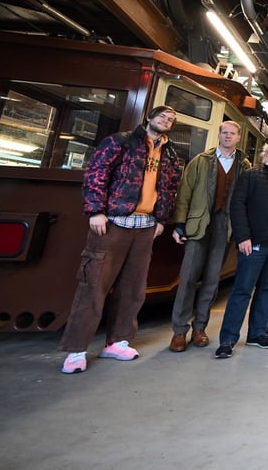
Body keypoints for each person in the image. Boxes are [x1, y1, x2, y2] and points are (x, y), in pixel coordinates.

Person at [59, 105, 183, 374]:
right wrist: (95, 210)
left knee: (133, 289)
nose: (166, 120)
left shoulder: (170, 153)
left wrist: (162, 219)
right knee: (93, 286)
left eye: (171, 119)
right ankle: (76, 349)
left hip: (146, 226)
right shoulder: (121, 141)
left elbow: (171, 187)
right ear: (148, 117)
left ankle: (117, 342)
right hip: (113, 223)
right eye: (162, 116)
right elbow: (96, 173)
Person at [214, 141, 268, 358]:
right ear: (264, 155)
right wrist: (243, 236)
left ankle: (256, 333)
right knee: (243, 290)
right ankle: (227, 339)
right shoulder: (251, 175)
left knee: (267, 289)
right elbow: (237, 206)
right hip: (254, 243)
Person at [168, 121, 251, 352]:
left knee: (212, 280)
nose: (228, 136)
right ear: (219, 135)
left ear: (238, 137)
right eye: (224, 133)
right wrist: (179, 224)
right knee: (188, 278)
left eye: (232, 133)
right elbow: (184, 193)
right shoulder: (200, 161)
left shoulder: (244, 165)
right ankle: (179, 331)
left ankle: (199, 328)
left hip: (225, 226)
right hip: (198, 224)